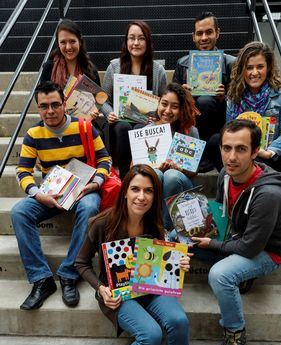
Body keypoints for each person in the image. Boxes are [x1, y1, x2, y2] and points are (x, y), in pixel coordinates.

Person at [75, 164, 203, 345]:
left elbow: (163, 267)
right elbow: (80, 263)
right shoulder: (101, 223)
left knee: (179, 322)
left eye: (148, 191)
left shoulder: (156, 224)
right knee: (151, 334)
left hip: (150, 288)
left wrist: (179, 264)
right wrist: (101, 288)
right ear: (124, 192)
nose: (141, 196)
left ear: (155, 196)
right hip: (117, 295)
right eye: (135, 189)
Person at [191, 119, 281, 345]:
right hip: (238, 238)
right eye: (226, 148)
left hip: (266, 252)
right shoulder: (226, 174)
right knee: (178, 237)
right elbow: (220, 213)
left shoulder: (268, 194)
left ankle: (235, 334)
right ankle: (241, 276)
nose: (231, 157)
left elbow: (249, 247)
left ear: (255, 151)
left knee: (220, 275)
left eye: (241, 149)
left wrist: (211, 243)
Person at [11, 81, 111, 310]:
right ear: (38, 108)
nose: (50, 111)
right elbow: (23, 170)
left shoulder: (84, 127)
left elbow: (105, 159)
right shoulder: (33, 134)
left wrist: (96, 183)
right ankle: (42, 279)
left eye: (55, 104)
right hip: (50, 194)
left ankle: (69, 273)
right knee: (18, 212)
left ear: (64, 104)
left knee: (89, 207)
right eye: (44, 106)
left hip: (82, 191)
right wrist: (37, 194)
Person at [101, 20, 167, 179]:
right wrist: (109, 113)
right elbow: (103, 99)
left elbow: (165, 101)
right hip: (119, 121)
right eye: (132, 38)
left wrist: (157, 114)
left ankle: (141, 175)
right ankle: (125, 177)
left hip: (146, 122)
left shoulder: (158, 70)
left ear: (148, 42)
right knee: (123, 127)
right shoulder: (114, 66)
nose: (136, 43)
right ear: (126, 41)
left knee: (139, 128)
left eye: (141, 38)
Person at [226, 41, 281, 172]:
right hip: (243, 152)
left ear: (268, 67)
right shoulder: (234, 96)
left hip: (270, 155)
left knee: (256, 161)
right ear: (242, 69)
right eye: (249, 67)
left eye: (260, 67)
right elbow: (229, 131)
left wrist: (269, 152)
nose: (254, 72)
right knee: (215, 142)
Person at [173, 12, 235, 156]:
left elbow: (239, 102)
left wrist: (224, 98)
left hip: (217, 119)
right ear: (193, 36)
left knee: (205, 101)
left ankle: (204, 155)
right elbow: (171, 98)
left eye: (209, 32)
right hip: (190, 117)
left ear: (217, 33)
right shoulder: (182, 63)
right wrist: (181, 94)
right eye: (199, 33)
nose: (204, 38)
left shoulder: (231, 63)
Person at [40, 19, 108, 143]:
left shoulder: (90, 69)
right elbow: (40, 97)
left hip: (84, 123)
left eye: (72, 41)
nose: (68, 47)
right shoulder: (49, 67)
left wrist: (94, 111)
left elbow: (98, 99)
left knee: (97, 135)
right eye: (63, 42)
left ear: (80, 42)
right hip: (55, 122)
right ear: (58, 44)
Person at [153, 83, 199, 229]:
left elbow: (194, 171)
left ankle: (165, 229)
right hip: (157, 182)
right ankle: (151, 224)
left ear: (181, 109)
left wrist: (180, 168)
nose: (167, 110)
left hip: (181, 184)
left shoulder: (190, 131)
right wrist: (155, 167)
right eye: (164, 104)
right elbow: (134, 167)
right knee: (156, 173)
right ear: (158, 103)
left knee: (171, 176)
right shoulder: (148, 129)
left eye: (174, 106)